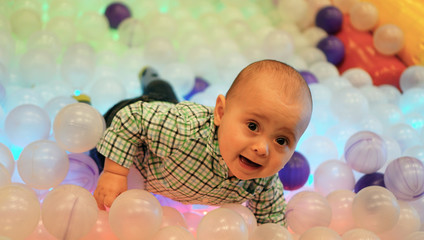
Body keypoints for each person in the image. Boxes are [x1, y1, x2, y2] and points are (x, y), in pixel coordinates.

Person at [93, 59, 313, 226]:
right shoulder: (182, 131)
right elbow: (132, 117)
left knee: (169, 99)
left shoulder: (264, 184)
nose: (262, 148)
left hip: (162, 150)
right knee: (97, 144)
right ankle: (150, 78)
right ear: (221, 113)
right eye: (253, 126)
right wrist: (115, 173)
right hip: (135, 125)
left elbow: (271, 223)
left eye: (281, 140)